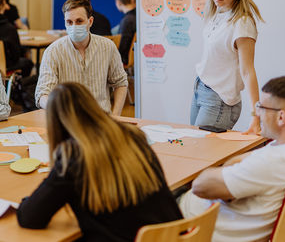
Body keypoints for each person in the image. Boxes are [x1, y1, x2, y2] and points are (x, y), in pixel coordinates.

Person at [17, 82, 182, 240]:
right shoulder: (133, 135)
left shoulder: (74, 157)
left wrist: (26, 201)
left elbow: (30, 217)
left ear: (55, 125)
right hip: (175, 236)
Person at [179, 76, 285, 242]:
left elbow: (199, 186)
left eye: (261, 107)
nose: (258, 114)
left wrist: (217, 170)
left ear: (281, 117)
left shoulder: (269, 163)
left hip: (202, 227)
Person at [191, 0, 264, 134]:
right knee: (194, 146)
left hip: (219, 98)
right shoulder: (217, 14)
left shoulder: (242, 23)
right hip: (201, 87)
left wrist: (256, 116)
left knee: (205, 154)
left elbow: (247, 71)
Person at [35, 0, 127, 115]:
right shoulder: (53, 51)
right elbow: (42, 94)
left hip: (101, 118)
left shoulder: (107, 47)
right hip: (68, 119)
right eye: (69, 22)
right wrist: (57, 109)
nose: (74, 26)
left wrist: (115, 116)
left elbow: (120, 83)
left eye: (79, 21)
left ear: (90, 21)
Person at [114, 0, 136, 65]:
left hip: (124, 60)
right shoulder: (137, 17)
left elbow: (123, 45)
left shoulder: (127, 21)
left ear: (118, 2)